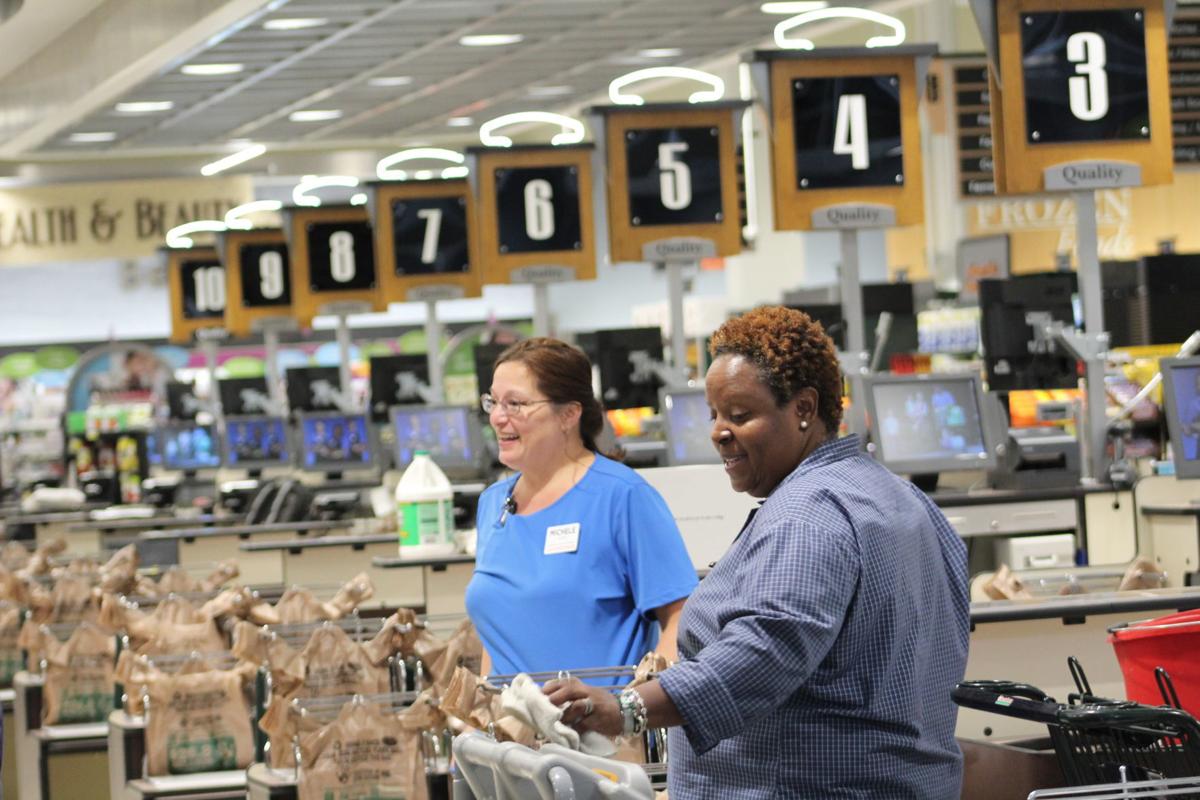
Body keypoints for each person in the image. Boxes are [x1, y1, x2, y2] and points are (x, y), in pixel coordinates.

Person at [547, 307, 970, 799]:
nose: (718, 431)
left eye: (741, 415)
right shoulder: (903, 499)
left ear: (805, 409)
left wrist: (626, 709)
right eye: (715, 414)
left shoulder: (809, 514)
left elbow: (764, 649)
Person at [464, 338, 698, 678]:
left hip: (596, 727)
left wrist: (635, 706)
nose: (498, 418)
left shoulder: (622, 497)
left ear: (569, 414)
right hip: (508, 728)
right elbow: (497, 638)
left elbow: (682, 619)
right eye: (494, 402)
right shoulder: (493, 503)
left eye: (515, 404)